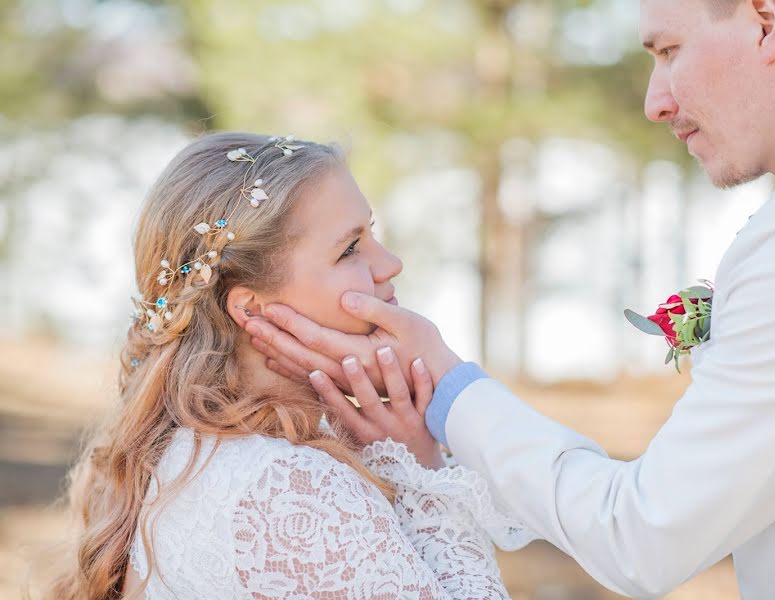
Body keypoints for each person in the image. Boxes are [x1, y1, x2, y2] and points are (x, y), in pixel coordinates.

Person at [244, 1, 775, 597]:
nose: (655, 102)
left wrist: (446, 382)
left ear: (764, 18)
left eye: (668, 51)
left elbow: (643, 536)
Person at [47, 132, 532, 600]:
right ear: (252, 309)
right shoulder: (290, 486)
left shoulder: (196, 450)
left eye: (372, 233)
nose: (390, 264)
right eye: (349, 248)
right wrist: (424, 477)